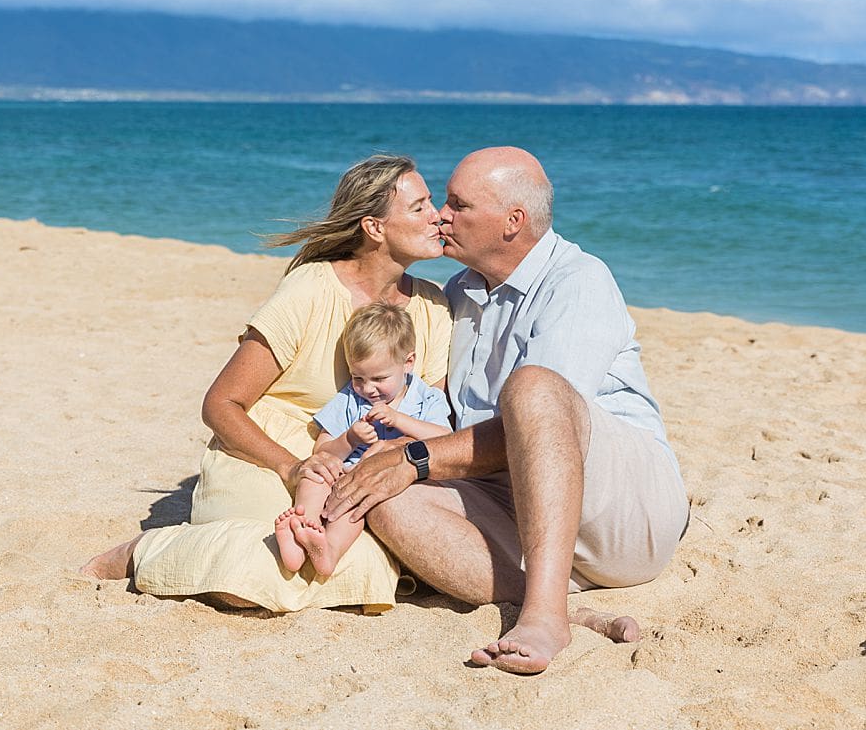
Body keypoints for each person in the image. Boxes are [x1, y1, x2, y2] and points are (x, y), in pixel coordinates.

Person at [323, 147, 688, 673]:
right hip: (518, 504)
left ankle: (543, 615)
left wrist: (414, 459)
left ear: (513, 222)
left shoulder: (578, 280)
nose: (441, 216)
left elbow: (540, 425)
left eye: (457, 204)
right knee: (384, 498)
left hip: (625, 511)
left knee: (533, 387)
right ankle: (565, 601)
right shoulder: (461, 292)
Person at [80, 154, 453, 612]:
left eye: (432, 203)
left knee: (359, 564)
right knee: (265, 566)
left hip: (361, 463)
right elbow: (221, 404)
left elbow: (428, 411)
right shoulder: (310, 289)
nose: (438, 216)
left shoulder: (434, 308)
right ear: (374, 227)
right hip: (266, 453)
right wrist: (290, 467)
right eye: (419, 207)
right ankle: (142, 551)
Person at [275, 302, 451, 577]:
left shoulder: (428, 398)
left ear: (408, 362)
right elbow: (323, 450)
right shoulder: (350, 398)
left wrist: (400, 420)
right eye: (358, 377)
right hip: (345, 472)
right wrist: (350, 438)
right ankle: (300, 533)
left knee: (356, 500)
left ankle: (329, 550)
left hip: (387, 479)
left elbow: (445, 439)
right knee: (315, 476)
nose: (367, 389)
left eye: (379, 378)